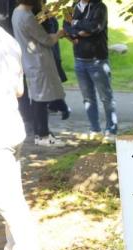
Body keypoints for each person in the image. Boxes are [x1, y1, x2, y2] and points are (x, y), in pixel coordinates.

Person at [0, 19, 41, 250]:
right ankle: (14, 248)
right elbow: (19, 90)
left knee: (8, 198)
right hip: (11, 123)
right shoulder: (7, 40)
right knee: (11, 192)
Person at [13, 0, 66, 147]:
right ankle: (42, 135)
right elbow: (47, 40)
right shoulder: (26, 16)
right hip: (37, 61)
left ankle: (42, 133)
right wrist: (59, 34)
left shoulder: (17, 12)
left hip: (30, 60)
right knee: (41, 99)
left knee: (38, 97)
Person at [66, 0, 117, 138]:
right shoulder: (73, 7)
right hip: (79, 60)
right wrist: (77, 32)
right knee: (88, 98)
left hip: (97, 60)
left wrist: (75, 23)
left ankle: (111, 131)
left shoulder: (100, 7)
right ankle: (95, 130)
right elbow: (66, 27)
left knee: (106, 97)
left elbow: (95, 27)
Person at [39, 7, 69, 119]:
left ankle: (61, 106)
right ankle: (57, 106)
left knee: (51, 82)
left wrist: (58, 34)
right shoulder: (47, 14)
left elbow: (50, 35)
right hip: (51, 52)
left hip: (49, 52)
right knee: (52, 82)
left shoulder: (44, 15)